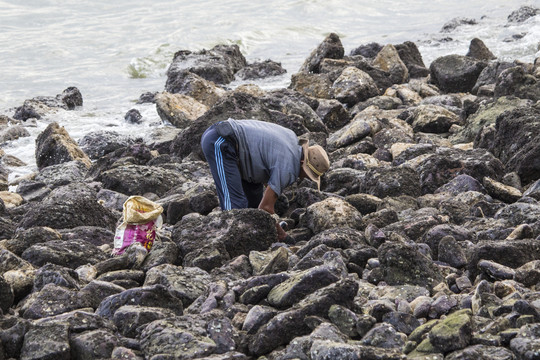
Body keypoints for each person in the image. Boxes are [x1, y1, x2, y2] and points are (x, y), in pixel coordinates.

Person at [201, 119, 330, 240]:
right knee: (235, 210)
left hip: (236, 149)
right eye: (308, 174)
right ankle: (229, 248)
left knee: (252, 207)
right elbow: (266, 208)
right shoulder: (289, 167)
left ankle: (250, 238)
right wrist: (282, 235)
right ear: (303, 162)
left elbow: (264, 156)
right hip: (221, 142)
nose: (305, 178)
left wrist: (271, 227)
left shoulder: (292, 139)